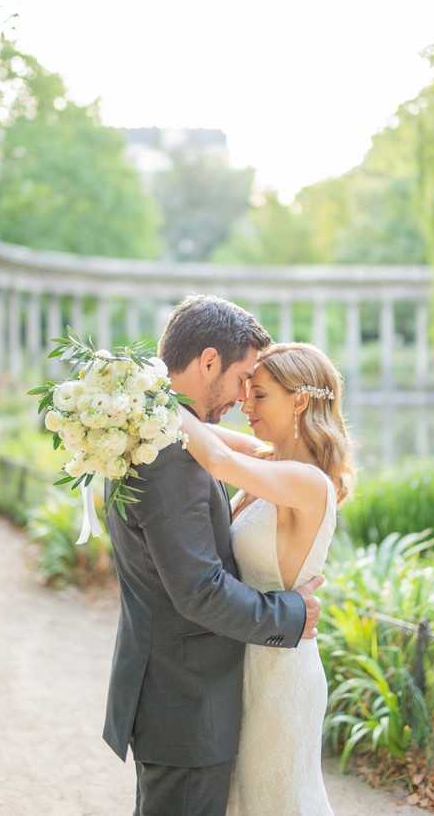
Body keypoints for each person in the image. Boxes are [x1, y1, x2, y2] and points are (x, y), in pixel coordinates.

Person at [102, 296, 324, 816]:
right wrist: (291, 614)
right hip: (186, 702)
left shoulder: (151, 428)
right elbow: (199, 590)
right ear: (207, 362)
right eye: (244, 376)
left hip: (174, 692)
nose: (244, 396)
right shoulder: (169, 458)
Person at [179, 341, 356, 816]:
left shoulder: (307, 481)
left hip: (281, 671)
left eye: (260, 395)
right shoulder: (274, 462)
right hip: (250, 653)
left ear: (299, 400)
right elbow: (218, 442)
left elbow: (218, 461)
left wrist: (153, 407)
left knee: (275, 801)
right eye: (246, 393)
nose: (245, 405)